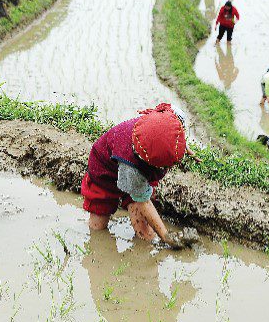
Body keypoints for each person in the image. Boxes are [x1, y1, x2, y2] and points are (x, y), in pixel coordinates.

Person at [81, 103, 201, 246]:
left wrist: (180, 145)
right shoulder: (131, 167)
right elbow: (143, 201)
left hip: (137, 171)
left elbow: (175, 131)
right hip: (105, 173)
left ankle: (145, 245)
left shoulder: (169, 117)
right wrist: (166, 236)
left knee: (146, 235)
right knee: (97, 228)